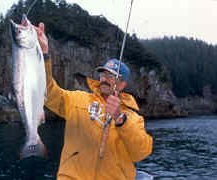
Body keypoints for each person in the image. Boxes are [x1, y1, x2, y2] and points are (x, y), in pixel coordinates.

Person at [35, 23, 153, 180]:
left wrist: (120, 119)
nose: (104, 79)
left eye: (111, 76)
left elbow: (141, 152)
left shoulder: (133, 118)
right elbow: (48, 92)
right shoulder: (77, 99)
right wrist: (43, 54)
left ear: (123, 84)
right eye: (103, 74)